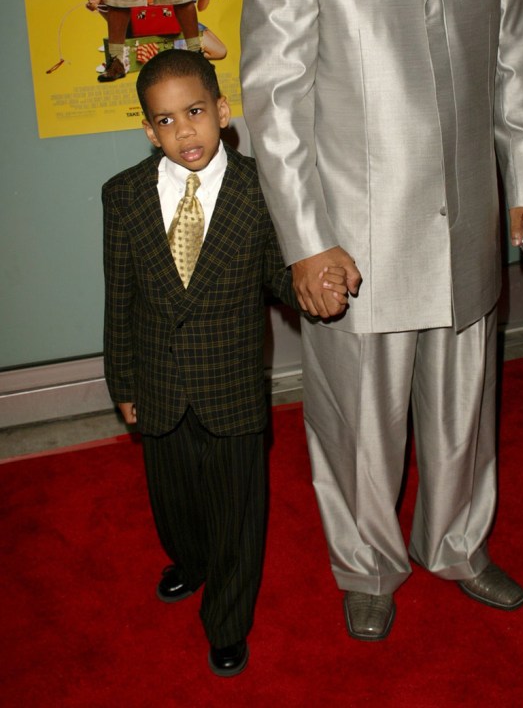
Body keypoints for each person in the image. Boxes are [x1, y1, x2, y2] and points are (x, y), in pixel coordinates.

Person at [240, 0, 523, 642]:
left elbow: (514, 59)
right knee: (359, 420)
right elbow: (275, 103)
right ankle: (367, 562)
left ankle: (457, 543)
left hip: (465, 221)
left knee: (465, 406)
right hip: (355, 239)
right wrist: (305, 242)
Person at [102, 48, 348, 675]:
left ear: (222, 111)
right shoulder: (123, 196)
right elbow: (120, 297)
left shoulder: (261, 187)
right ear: (146, 128)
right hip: (158, 384)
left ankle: (229, 620)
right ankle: (190, 561)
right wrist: (122, 381)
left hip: (232, 383)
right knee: (174, 502)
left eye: (194, 112)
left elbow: (276, 270)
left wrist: (310, 286)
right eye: (164, 120)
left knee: (239, 513)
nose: (183, 130)